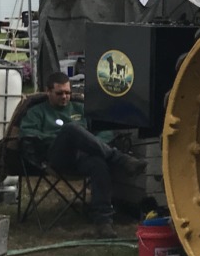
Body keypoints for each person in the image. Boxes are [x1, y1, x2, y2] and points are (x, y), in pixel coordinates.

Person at [20, 72, 146, 224]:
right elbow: (28, 135)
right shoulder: (37, 112)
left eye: (68, 93)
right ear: (48, 91)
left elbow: (106, 131)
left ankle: (103, 220)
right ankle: (120, 159)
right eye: (59, 93)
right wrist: (59, 137)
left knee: (98, 162)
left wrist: (92, 142)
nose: (64, 97)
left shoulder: (80, 108)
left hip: (83, 157)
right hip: (57, 157)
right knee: (71, 130)